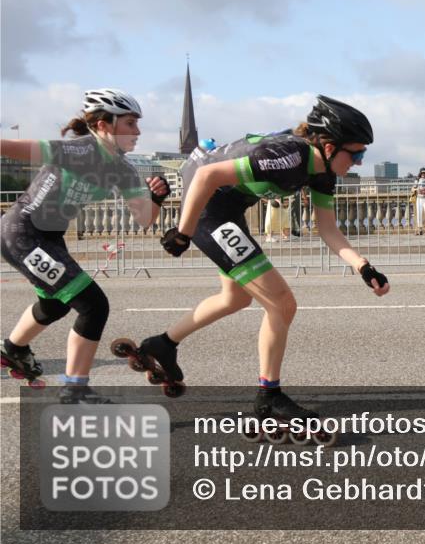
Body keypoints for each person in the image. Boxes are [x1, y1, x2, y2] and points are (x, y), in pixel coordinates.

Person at [136, 95, 390, 425]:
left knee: (235, 297)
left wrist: (363, 266)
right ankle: (268, 397)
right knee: (282, 303)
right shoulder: (289, 156)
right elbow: (205, 177)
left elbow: (327, 229)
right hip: (206, 208)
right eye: (356, 153)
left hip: (228, 208)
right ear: (328, 147)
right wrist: (182, 232)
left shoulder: (322, 172)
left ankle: (162, 344)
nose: (358, 162)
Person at [0, 89, 169, 403]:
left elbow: (145, 219)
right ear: (104, 125)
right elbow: (7, 147)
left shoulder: (123, 167)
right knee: (93, 306)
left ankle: (13, 349)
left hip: (47, 238)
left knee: (56, 304)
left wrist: (156, 198)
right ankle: (74, 391)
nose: (138, 131)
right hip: (23, 232)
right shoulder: (79, 151)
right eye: (130, 123)